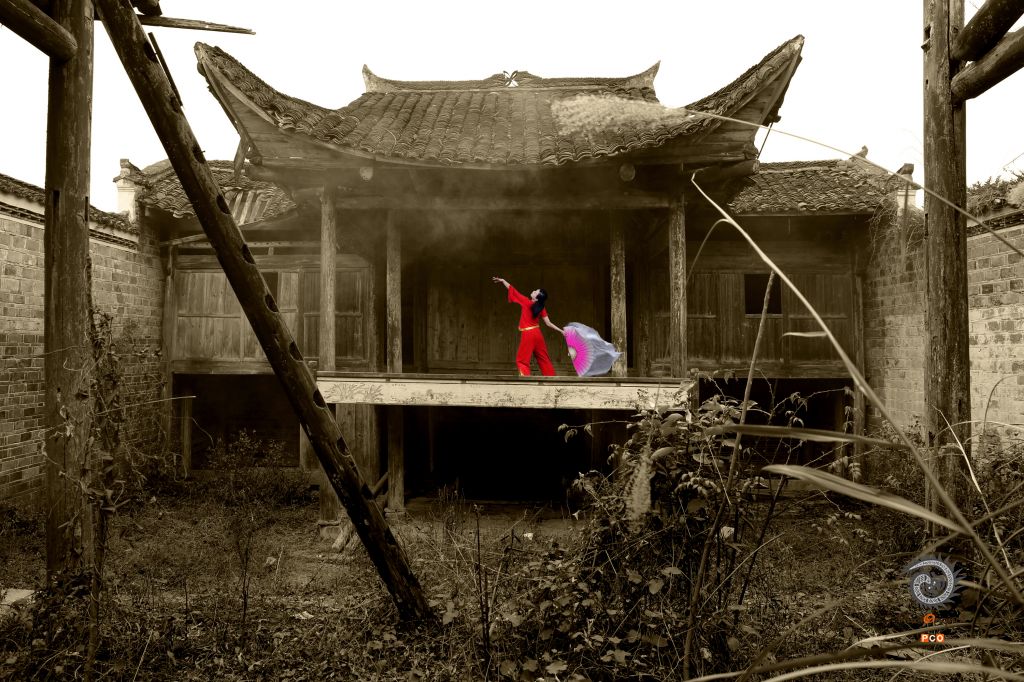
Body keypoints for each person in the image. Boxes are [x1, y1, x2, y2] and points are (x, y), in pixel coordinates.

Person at [492, 276, 564, 376]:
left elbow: (513, 291)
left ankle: (526, 380)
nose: (533, 291)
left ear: (536, 298)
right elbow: (548, 323)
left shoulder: (526, 302)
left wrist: (503, 281)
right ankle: (552, 380)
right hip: (538, 334)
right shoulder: (541, 307)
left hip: (528, 334)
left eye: (535, 292)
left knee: (522, 360)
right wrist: (561, 331)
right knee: (543, 358)